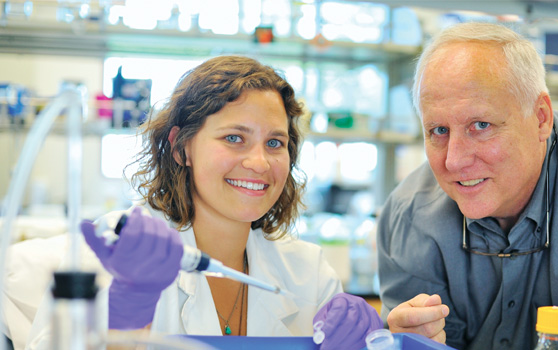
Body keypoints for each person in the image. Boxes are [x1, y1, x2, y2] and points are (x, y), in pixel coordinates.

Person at [377, 22, 558, 349]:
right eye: (438, 131)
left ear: (541, 118)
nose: (454, 161)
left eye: (481, 125)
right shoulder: (409, 217)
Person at [20, 55, 342, 348]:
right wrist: (122, 316)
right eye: (234, 138)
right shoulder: (119, 247)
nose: (259, 163)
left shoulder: (308, 273)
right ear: (181, 147)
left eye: (275, 142)